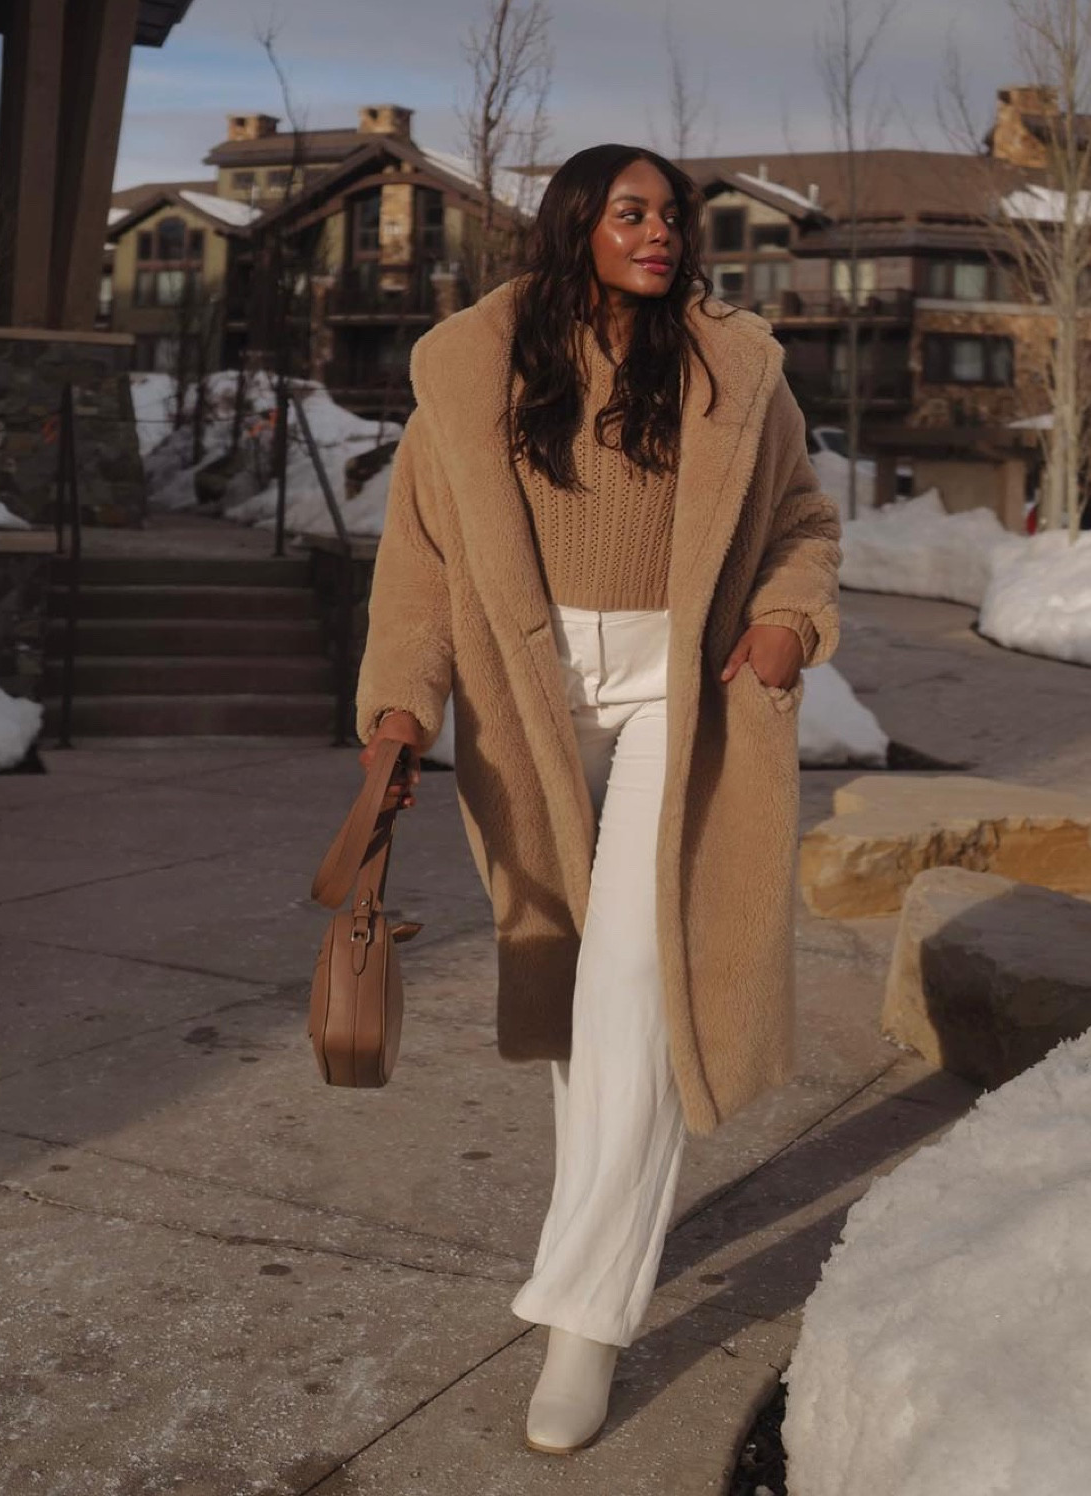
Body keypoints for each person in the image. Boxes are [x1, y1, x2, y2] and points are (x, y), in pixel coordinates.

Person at [353, 145, 842, 1454]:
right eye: (631, 212)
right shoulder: (471, 369)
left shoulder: (734, 366)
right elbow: (417, 561)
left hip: (684, 692)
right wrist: (402, 705)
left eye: (673, 213)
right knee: (578, 996)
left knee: (635, 975)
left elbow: (803, 521)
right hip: (532, 704)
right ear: (575, 223)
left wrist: (791, 623)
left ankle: (582, 1317)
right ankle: (605, 1229)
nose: (661, 232)